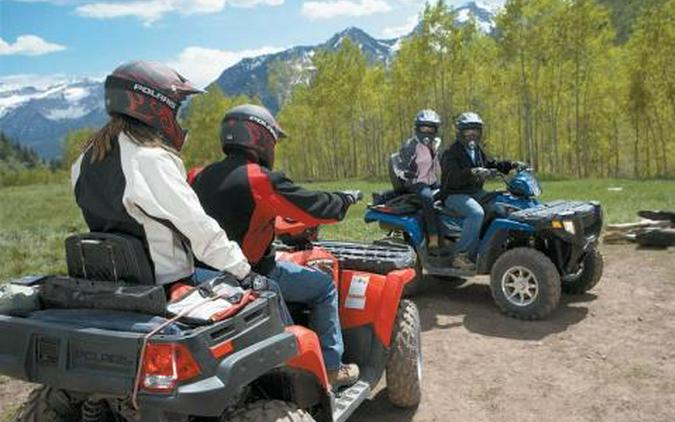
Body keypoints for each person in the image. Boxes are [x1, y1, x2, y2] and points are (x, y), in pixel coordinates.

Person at [191, 104, 362, 390]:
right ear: (262, 138)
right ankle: (333, 368)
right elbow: (315, 206)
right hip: (252, 275)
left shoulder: (196, 176)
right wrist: (343, 199)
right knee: (324, 287)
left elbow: (234, 219)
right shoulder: (258, 178)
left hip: (202, 276)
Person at [71, 60, 266, 292]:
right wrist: (243, 271)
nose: (177, 117)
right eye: (176, 108)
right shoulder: (148, 159)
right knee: (270, 289)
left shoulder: (85, 159)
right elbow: (197, 226)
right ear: (155, 104)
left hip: (118, 282)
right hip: (165, 282)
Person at [440, 112, 526, 270]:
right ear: (460, 132)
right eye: (468, 131)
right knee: (476, 213)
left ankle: (492, 247)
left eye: (476, 131)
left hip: (475, 193)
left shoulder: (477, 150)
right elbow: (451, 177)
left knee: (503, 204)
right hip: (454, 194)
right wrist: (472, 172)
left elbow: (493, 164)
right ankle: (461, 255)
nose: (472, 135)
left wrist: (512, 164)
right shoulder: (450, 152)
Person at [392, 109, 443, 250]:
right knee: (427, 198)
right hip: (415, 183)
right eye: (424, 127)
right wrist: (406, 173)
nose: (427, 131)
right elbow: (398, 166)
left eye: (431, 128)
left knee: (449, 192)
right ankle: (433, 237)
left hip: (431, 181)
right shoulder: (411, 145)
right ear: (417, 128)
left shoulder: (435, 144)